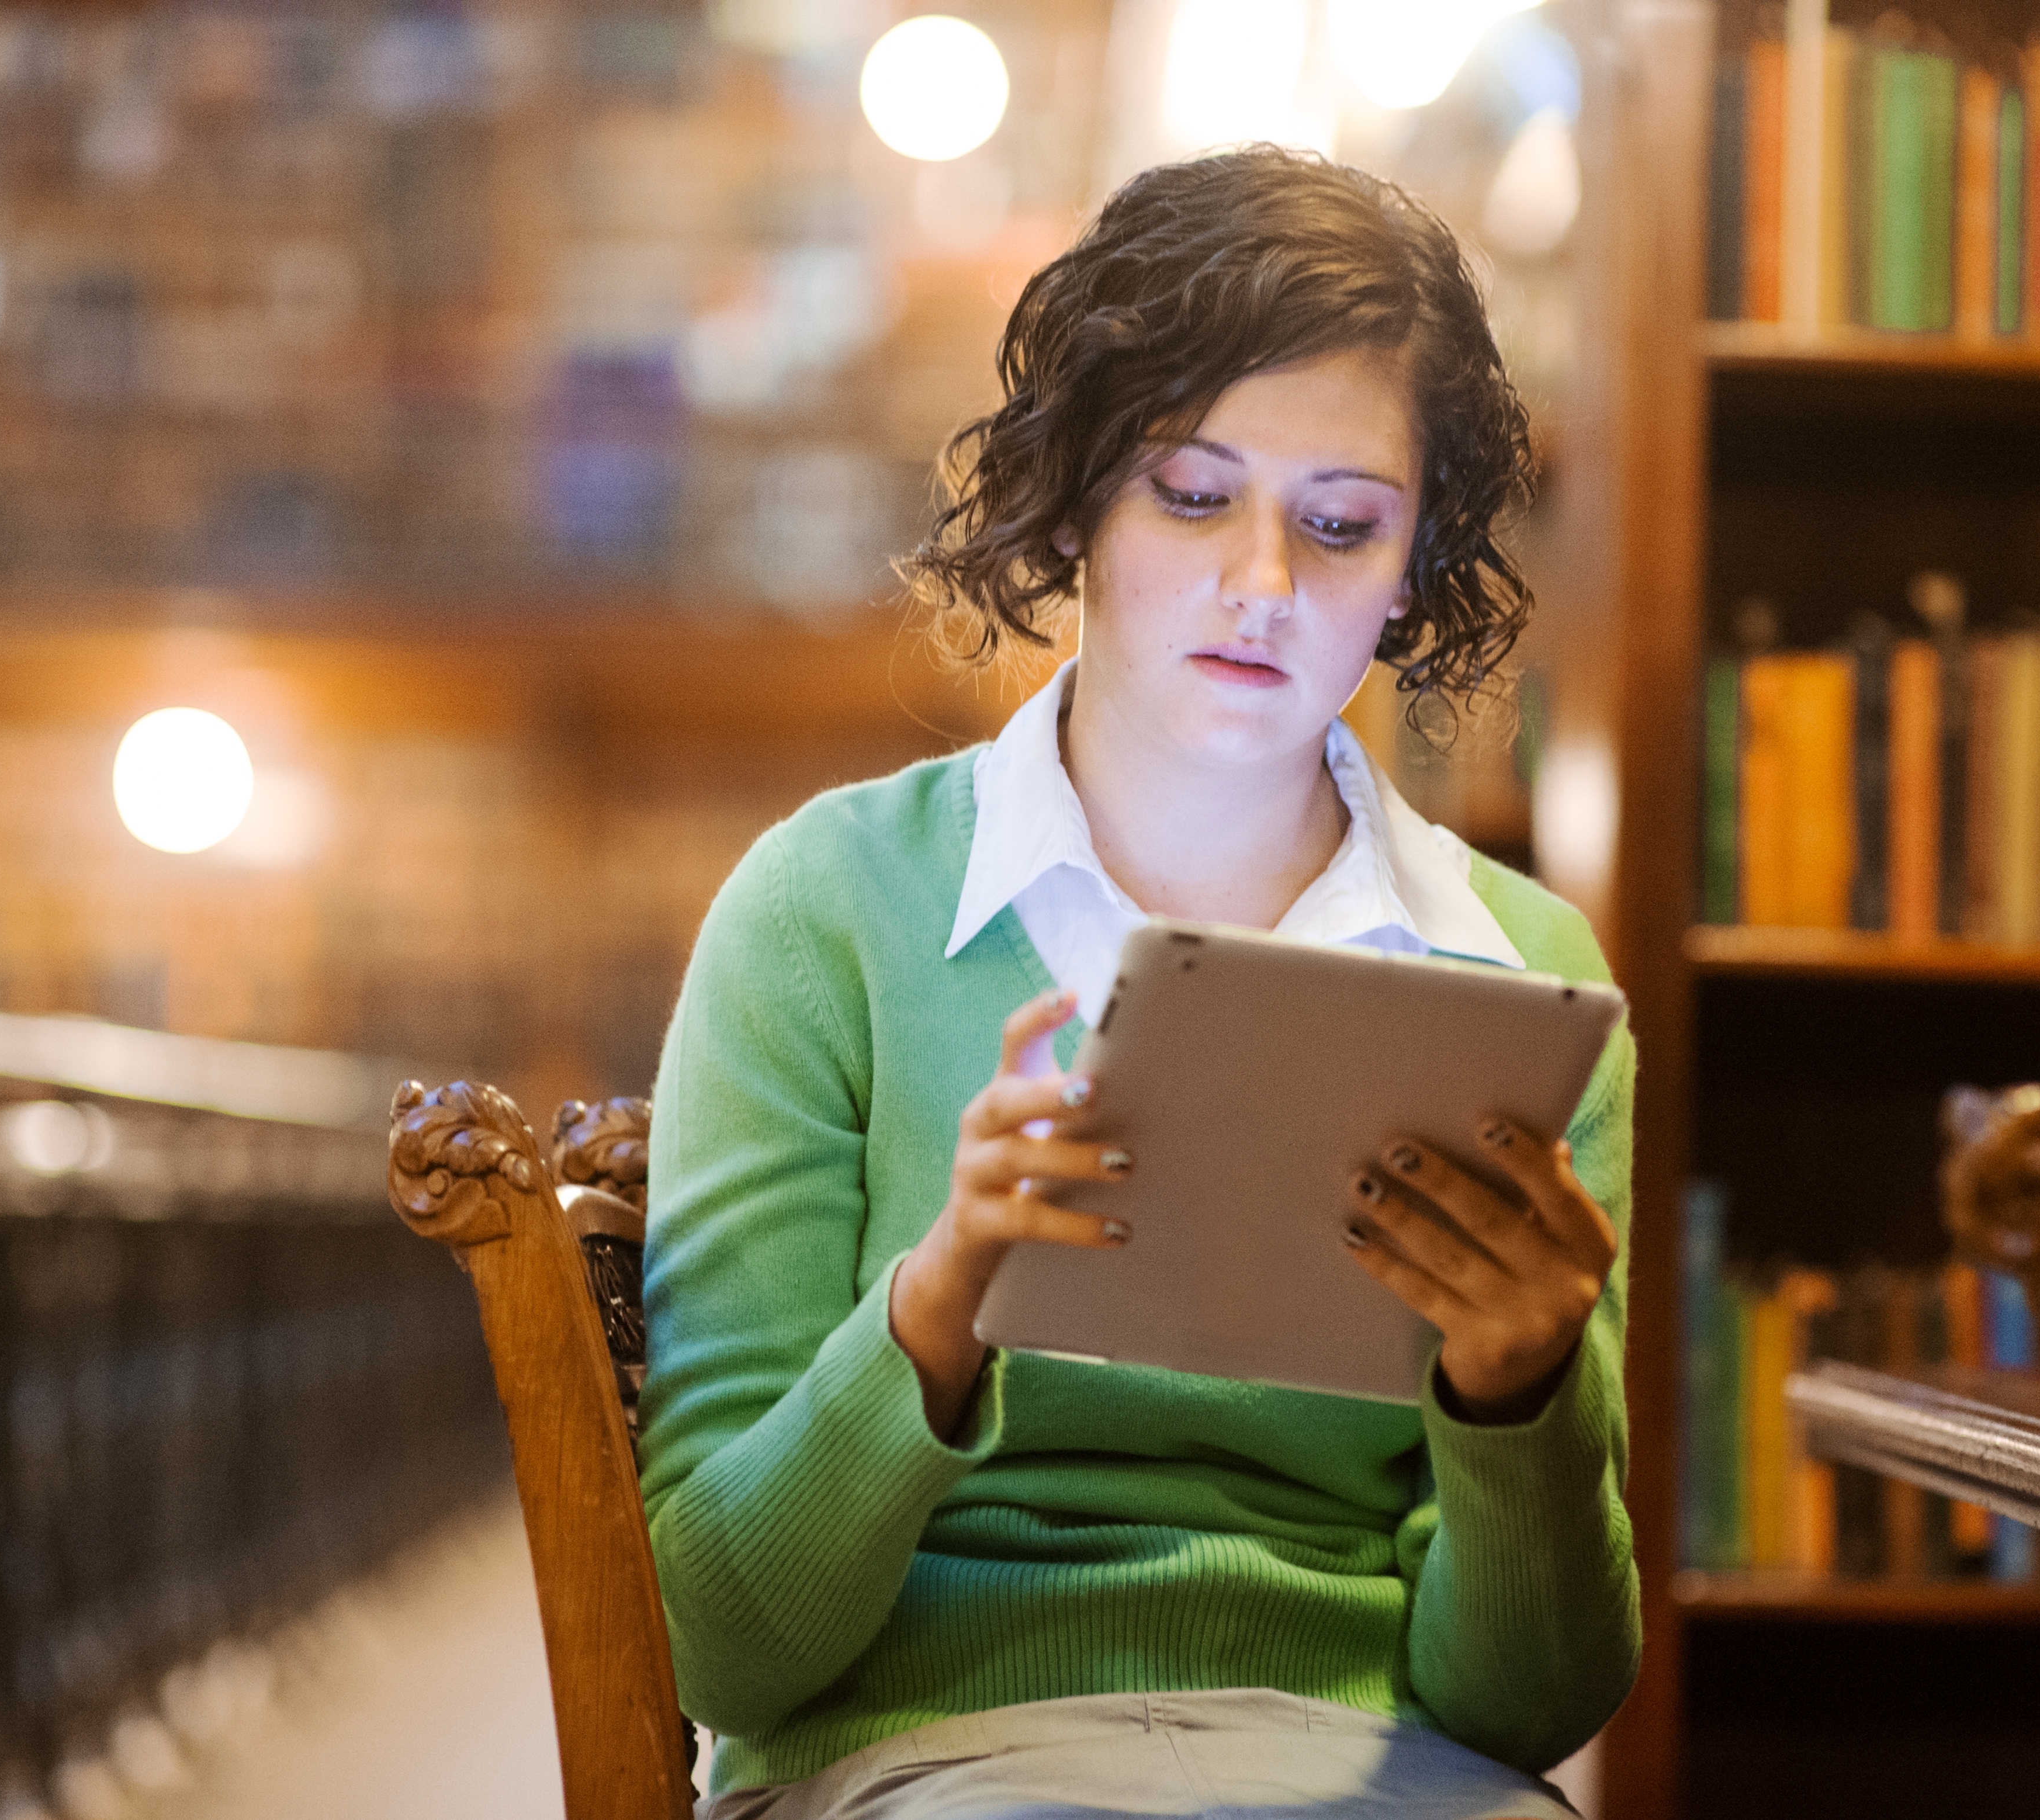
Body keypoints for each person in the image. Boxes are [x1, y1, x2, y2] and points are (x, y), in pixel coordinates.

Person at [638, 147, 1638, 1820]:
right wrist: (940, 1307)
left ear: (1412, 570)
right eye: (1191, 493)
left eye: (1340, 525)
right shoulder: (829, 912)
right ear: (1076, 500)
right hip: (921, 1762)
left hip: (1370, 1774)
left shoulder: (1513, 980)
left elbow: (1525, 1706)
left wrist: (1520, 1394)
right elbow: (723, 1646)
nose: (1263, 583)